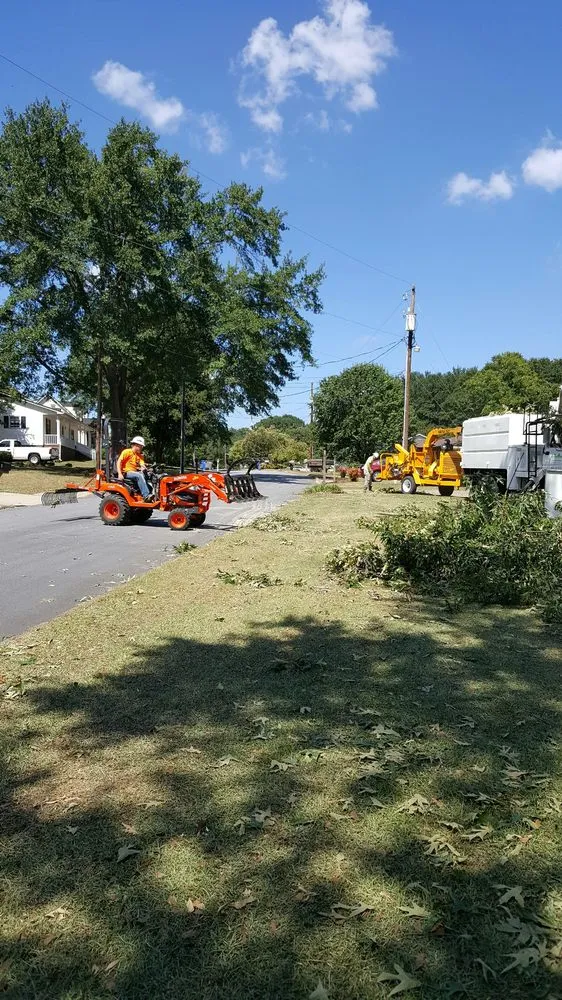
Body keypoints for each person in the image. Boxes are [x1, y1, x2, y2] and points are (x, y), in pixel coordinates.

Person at [116, 436, 153, 501]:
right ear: (136, 445)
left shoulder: (140, 455)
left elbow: (142, 464)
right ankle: (146, 495)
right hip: (126, 473)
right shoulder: (127, 452)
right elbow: (119, 462)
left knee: (149, 475)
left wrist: (144, 468)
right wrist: (119, 474)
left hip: (134, 472)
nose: (142, 448)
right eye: (141, 446)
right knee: (139, 475)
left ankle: (149, 493)